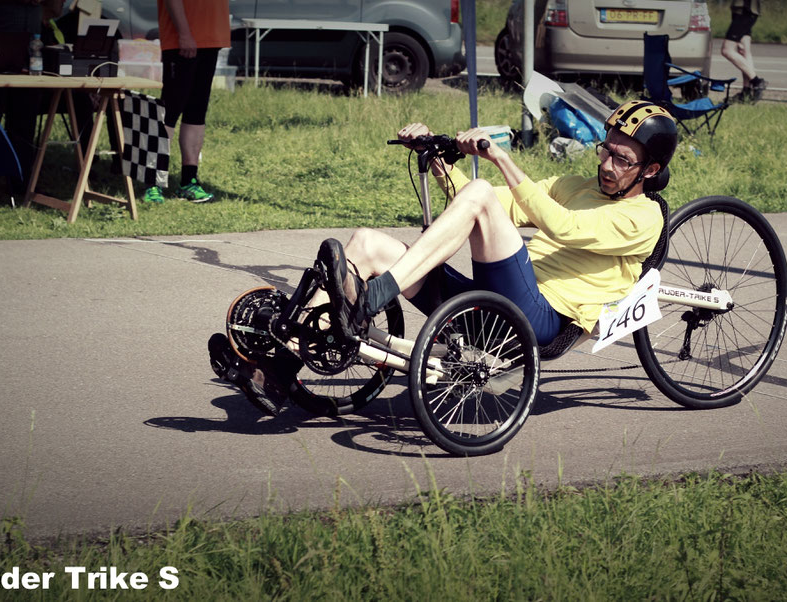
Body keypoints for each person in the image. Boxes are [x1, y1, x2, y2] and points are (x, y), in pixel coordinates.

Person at [243, 101, 680, 409]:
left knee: (480, 194)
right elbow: (482, 207)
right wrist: (436, 160)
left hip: (539, 319)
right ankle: (279, 367)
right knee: (366, 242)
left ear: (651, 170)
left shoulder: (644, 218)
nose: (606, 164)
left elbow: (564, 227)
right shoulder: (576, 186)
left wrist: (502, 161)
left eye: (622, 159)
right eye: (605, 150)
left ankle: (374, 297)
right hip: (495, 304)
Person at [143, 0, 230, 203]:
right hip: (183, 39)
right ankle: (153, 182)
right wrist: (184, 33)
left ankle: (189, 180)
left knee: (196, 112)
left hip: (211, 38)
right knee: (170, 111)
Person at [721, 0, 767, 102]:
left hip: (745, 9)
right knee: (744, 50)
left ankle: (756, 81)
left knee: (726, 50)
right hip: (744, 10)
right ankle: (746, 92)